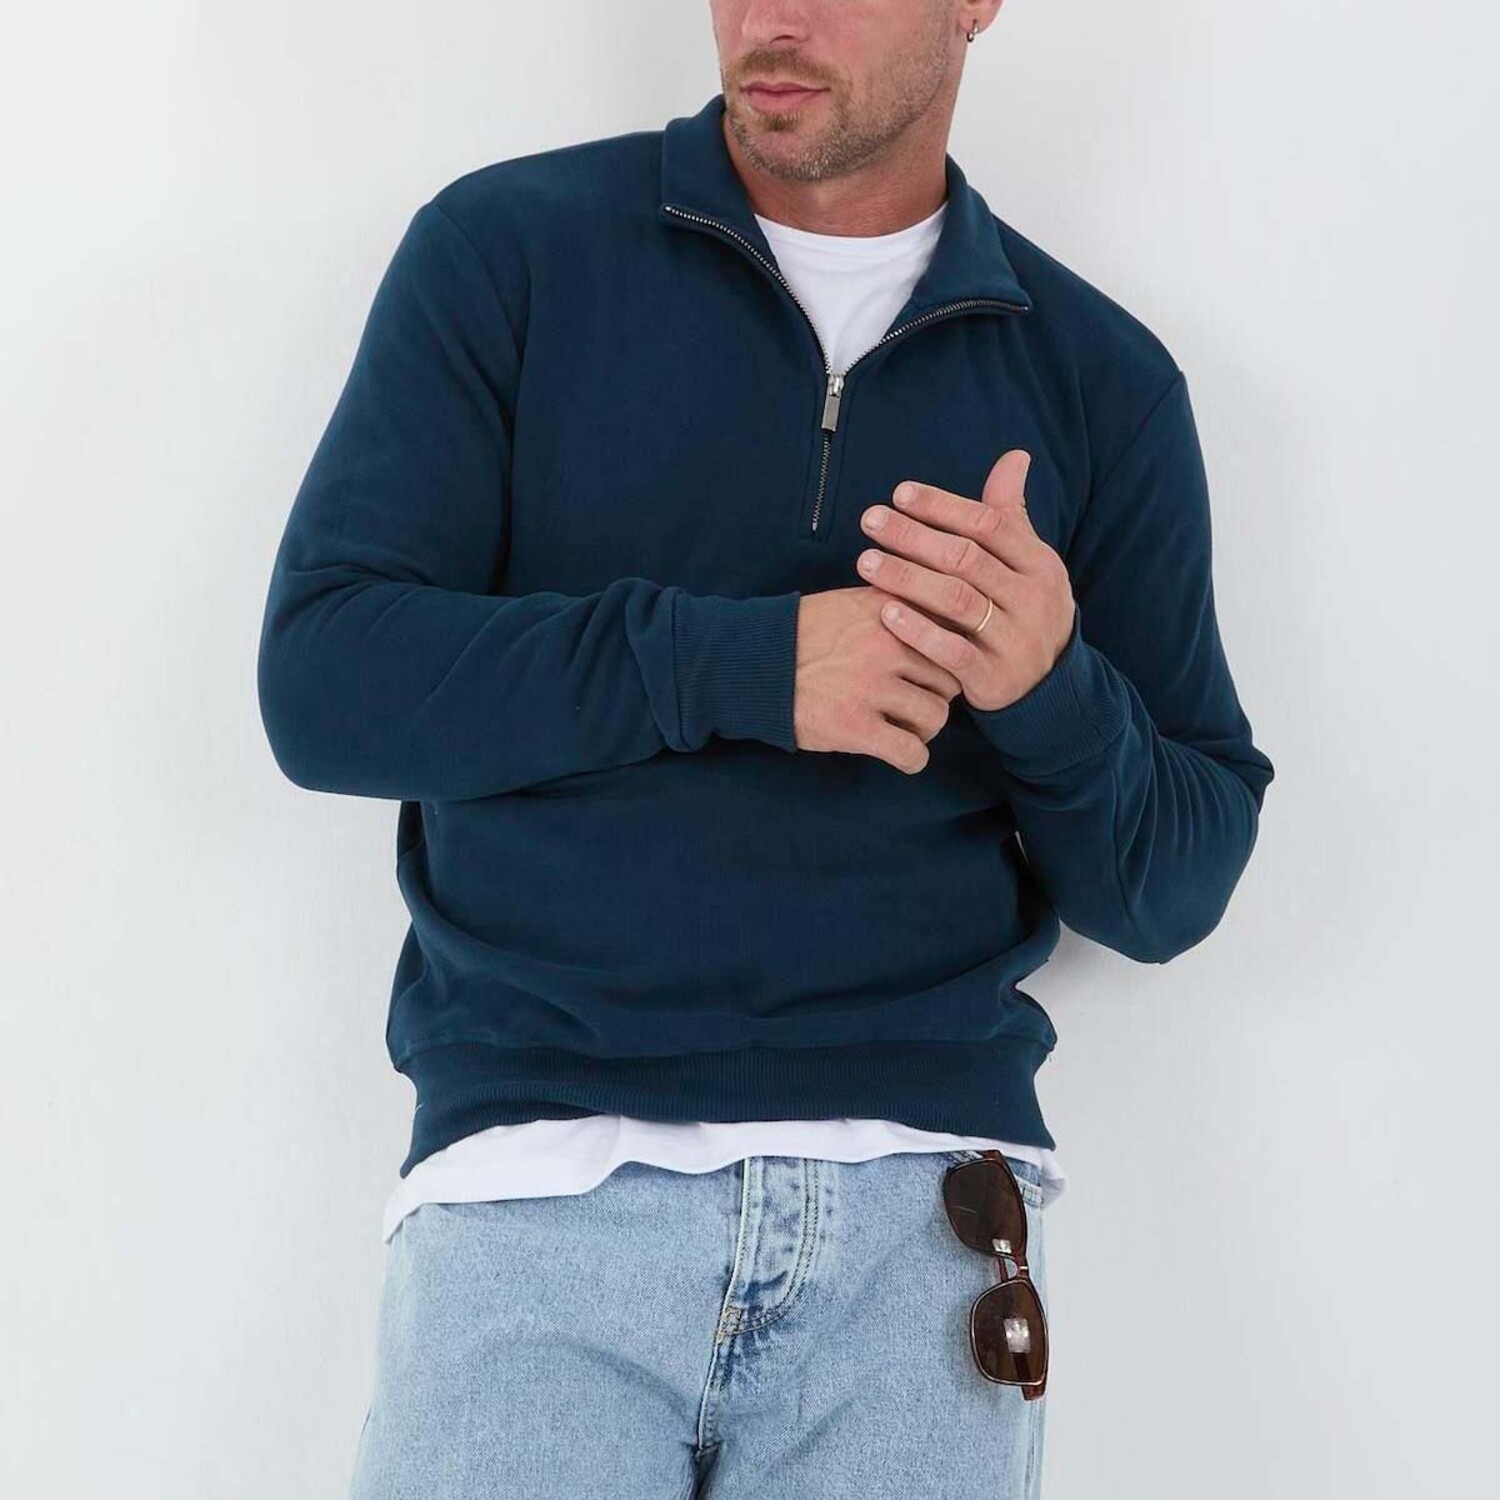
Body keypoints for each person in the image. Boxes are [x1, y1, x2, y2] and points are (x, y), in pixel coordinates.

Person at [256, 3, 1275, 1495]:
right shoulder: (507, 256)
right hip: (542, 1188)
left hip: (923, 1233)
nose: (771, 17)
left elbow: (1176, 886)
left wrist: (1050, 687)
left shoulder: (1099, 381)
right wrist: (745, 665)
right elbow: (326, 682)